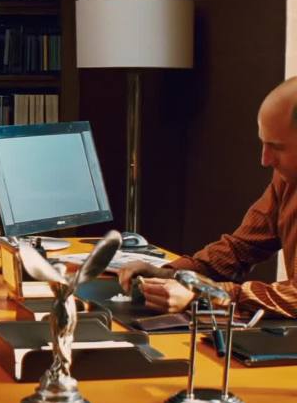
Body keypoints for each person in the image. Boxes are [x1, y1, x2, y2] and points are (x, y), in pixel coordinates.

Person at [119, 77, 297, 318]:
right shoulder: (287, 180)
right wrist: (171, 274)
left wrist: (204, 296)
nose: (265, 160)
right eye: (263, 143)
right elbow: (239, 249)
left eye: (277, 147)